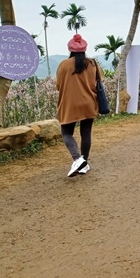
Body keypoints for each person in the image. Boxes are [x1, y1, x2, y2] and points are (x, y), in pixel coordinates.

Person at [56, 34, 102, 177]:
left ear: (70, 50)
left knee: (66, 132)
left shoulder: (64, 65)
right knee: (85, 132)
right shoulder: (93, 64)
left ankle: (77, 158)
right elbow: (98, 82)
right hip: (89, 102)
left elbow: (58, 86)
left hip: (70, 104)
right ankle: (84, 163)